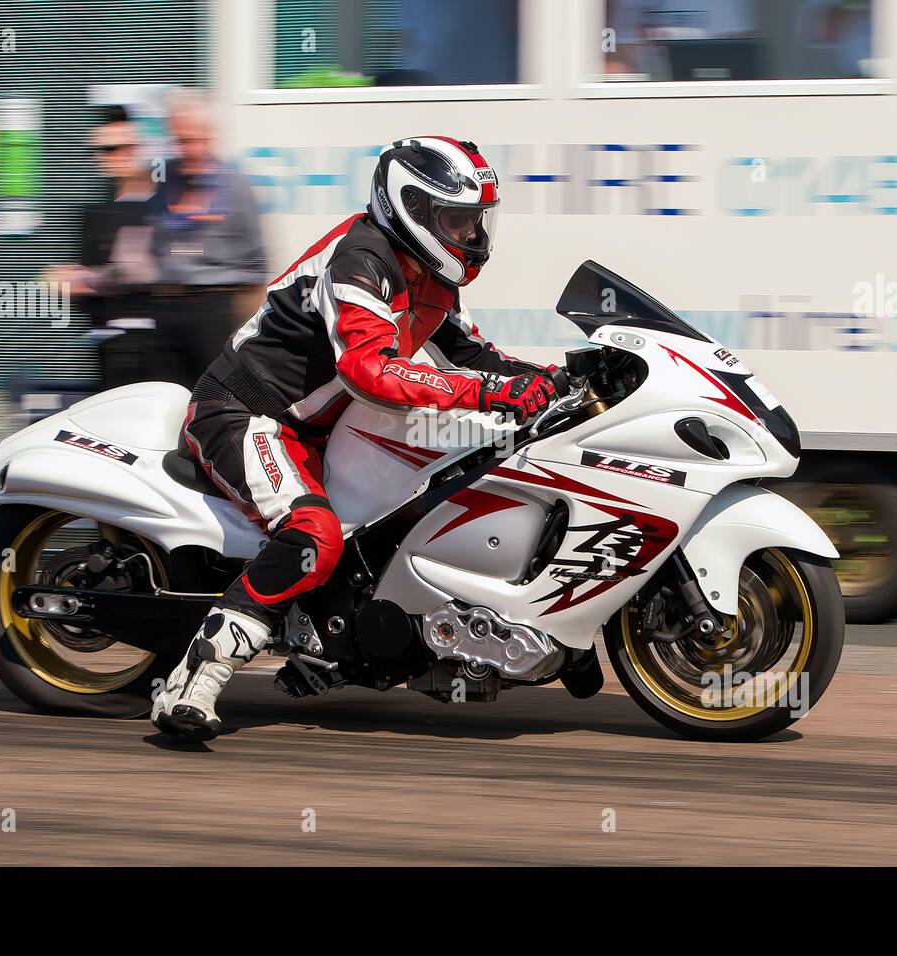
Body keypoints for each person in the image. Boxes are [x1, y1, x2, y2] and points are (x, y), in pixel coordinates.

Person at [152, 136, 558, 740]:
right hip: (245, 415)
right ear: (411, 210)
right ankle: (194, 680)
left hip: (317, 428)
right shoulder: (361, 261)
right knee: (312, 531)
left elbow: (478, 356)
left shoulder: (429, 277)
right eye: (456, 220)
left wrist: (561, 379)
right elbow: (367, 369)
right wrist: (482, 394)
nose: (471, 236)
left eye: (476, 221)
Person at [150, 88, 268, 389]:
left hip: (213, 312)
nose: (184, 149)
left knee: (215, 400)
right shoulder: (164, 185)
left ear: (208, 137)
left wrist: (244, 329)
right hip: (168, 311)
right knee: (166, 398)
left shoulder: (235, 188)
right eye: (178, 140)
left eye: (191, 140)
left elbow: (256, 266)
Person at [44, 106, 161, 388]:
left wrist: (92, 279)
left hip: (154, 342)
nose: (103, 157)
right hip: (110, 343)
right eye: (98, 149)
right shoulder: (95, 214)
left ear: (134, 149)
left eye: (112, 148)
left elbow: (172, 264)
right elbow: (84, 280)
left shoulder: (160, 210)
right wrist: (71, 283)